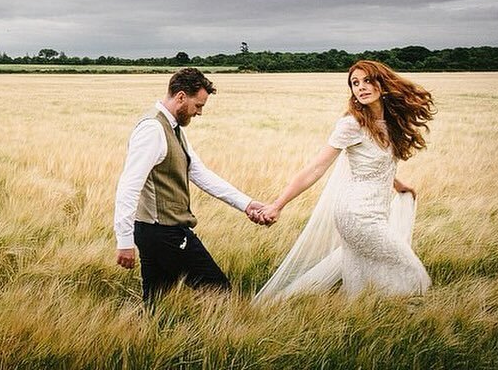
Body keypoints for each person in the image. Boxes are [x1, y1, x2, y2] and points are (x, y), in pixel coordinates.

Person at [253, 60, 435, 303]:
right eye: (355, 83)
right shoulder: (352, 124)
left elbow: (376, 165)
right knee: (414, 273)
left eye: (367, 80)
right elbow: (315, 168)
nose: (361, 87)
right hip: (357, 214)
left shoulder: (389, 122)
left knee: (361, 280)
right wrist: (277, 205)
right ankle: (409, 314)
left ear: (382, 82)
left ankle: (367, 323)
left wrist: (398, 185)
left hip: (375, 210)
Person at [114, 67, 271, 304]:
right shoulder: (153, 130)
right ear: (180, 97)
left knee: (158, 302)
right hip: (164, 232)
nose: (199, 113)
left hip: (156, 231)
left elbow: (199, 172)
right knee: (220, 293)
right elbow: (129, 186)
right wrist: (124, 241)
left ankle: (154, 337)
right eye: (198, 105)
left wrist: (246, 204)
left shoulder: (173, 128)